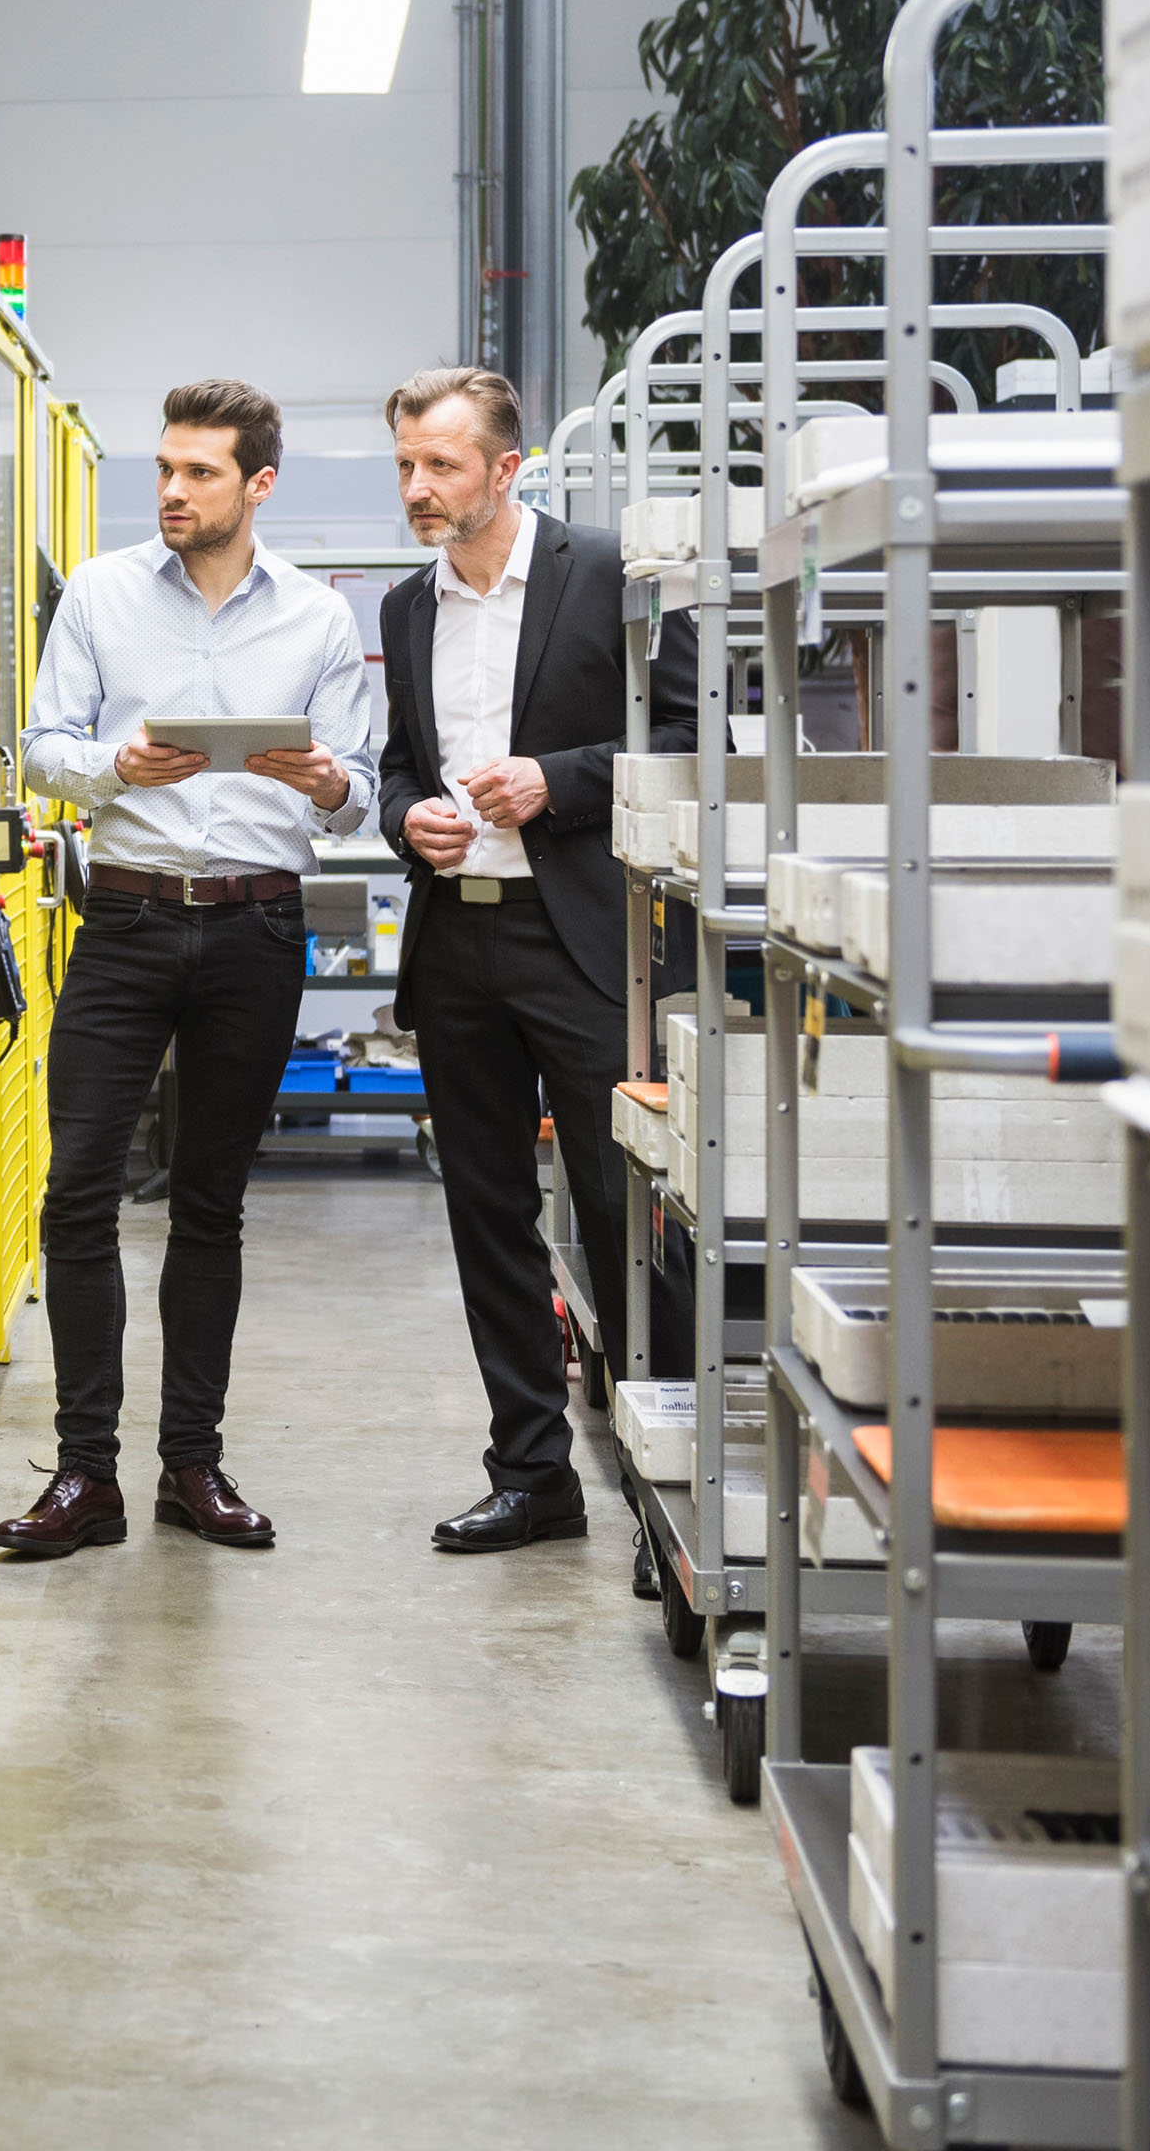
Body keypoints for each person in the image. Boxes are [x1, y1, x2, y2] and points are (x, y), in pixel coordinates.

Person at [0, 378, 381, 1558]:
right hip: (125, 921)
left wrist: (325, 784)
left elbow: (359, 782)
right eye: (165, 467)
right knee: (77, 1195)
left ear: (258, 485)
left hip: (258, 932)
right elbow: (42, 751)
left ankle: (191, 1469)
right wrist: (117, 767)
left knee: (212, 1206)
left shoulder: (315, 617)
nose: (171, 488)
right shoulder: (104, 596)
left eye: (200, 472)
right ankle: (84, 1473)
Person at [372, 366, 697, 1554]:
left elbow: (688, 730)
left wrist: (560, 781)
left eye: (441, 464)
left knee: (625, 1208)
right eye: (407, 463)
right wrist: (408, 817)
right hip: (457, 938)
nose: (418, 486)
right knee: (488, 1212)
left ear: (507, 469)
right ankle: (532, 1473)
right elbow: (402, 769)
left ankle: (678, 1474)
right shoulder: (410, 608)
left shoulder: (605, 573)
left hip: (583, 943)